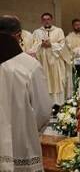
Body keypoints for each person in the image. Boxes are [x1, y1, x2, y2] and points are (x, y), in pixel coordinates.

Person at [0, 16, 51, 171]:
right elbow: (43, 111)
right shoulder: (29, 66)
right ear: (18, 35)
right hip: (21, 146)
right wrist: (26, 127)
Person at [32, 13, 71, 106]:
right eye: (44, 19)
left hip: (55, 63)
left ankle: (58, 104)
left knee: (57, 83)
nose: (46, 21)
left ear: (51, 20)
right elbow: (32, 47)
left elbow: (63, 46)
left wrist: (51, 45)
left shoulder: (58, 31)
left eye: (48, 19)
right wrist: (40, 45)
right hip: (42, 63)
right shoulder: (36, 32)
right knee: (44, 82)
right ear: (41, 21)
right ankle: (44, 104)